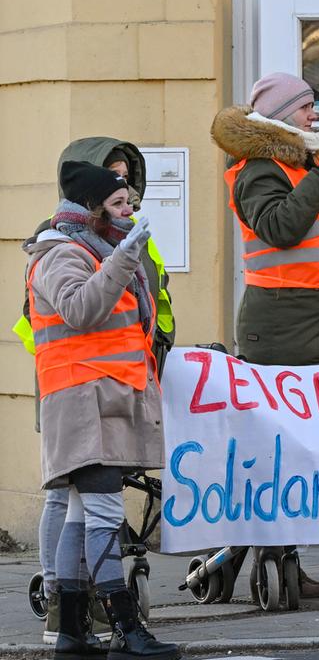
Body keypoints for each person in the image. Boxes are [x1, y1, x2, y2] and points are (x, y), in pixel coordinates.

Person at [210, 45, 319, 599]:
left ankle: (282, 557)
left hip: (317, 324)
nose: (314, 117)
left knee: (306, 453)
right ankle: (264, 556)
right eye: (306, 109)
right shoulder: (257, 170)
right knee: (280, 455)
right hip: (282, 329)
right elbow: (281, 227)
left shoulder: (295, 158)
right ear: (282, 117)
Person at [13, 137, 176, 645]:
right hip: (82, 401)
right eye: (118, 204)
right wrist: (123, 260)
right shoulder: (60, 253)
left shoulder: (97, 248)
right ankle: (127, 628)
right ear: (90, 209)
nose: (130, 211)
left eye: (130, 201)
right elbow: (81, 310)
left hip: (102, 399)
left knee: (83, 517)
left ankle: (71, 635)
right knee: (100, 515)